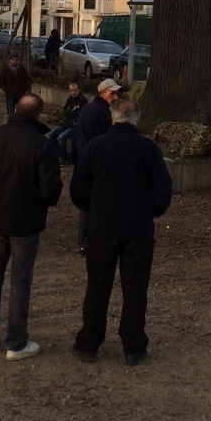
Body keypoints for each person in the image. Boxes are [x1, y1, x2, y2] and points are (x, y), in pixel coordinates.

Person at [70, 99, 172, 365]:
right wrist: (151, 211)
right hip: (137, 228)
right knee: (135, 288)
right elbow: (163, 189)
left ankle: (89, 343)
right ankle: (133, 345)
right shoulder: (148, 149)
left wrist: (93, 209)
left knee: (98, 286)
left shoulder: (96, 147)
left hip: (102, 227)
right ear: (136, 119)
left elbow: (78, 187)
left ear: (112, 118)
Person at [0, 93, 62, 360]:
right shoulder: (41, 144)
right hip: (26, 219)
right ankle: (16, 341)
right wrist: (39, 198)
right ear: (38, 114)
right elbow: (50, 189)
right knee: (20, 280)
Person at [73, 79, 119, 251]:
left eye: (115, 93)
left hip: (86, 161)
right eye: (112, 93)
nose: (115, 97)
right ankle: (89, 239)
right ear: (102, 93)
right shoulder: (103, 113)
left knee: (89, 202)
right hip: (96, 164)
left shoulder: (88, 109)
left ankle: (86, 239)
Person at [47, 80, 87, 165]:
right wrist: (71, 112)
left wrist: (71, 112)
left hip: (75, 125)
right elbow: (65, 111)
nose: (73, 92)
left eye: (75, 90)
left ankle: (64, 157)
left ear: (78, 90)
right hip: (66, 123)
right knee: (51, 134)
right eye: (71, 90)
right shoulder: (69, 99)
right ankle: (58, 154)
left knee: (62, 137)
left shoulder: (82, 100)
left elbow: (79, 114)